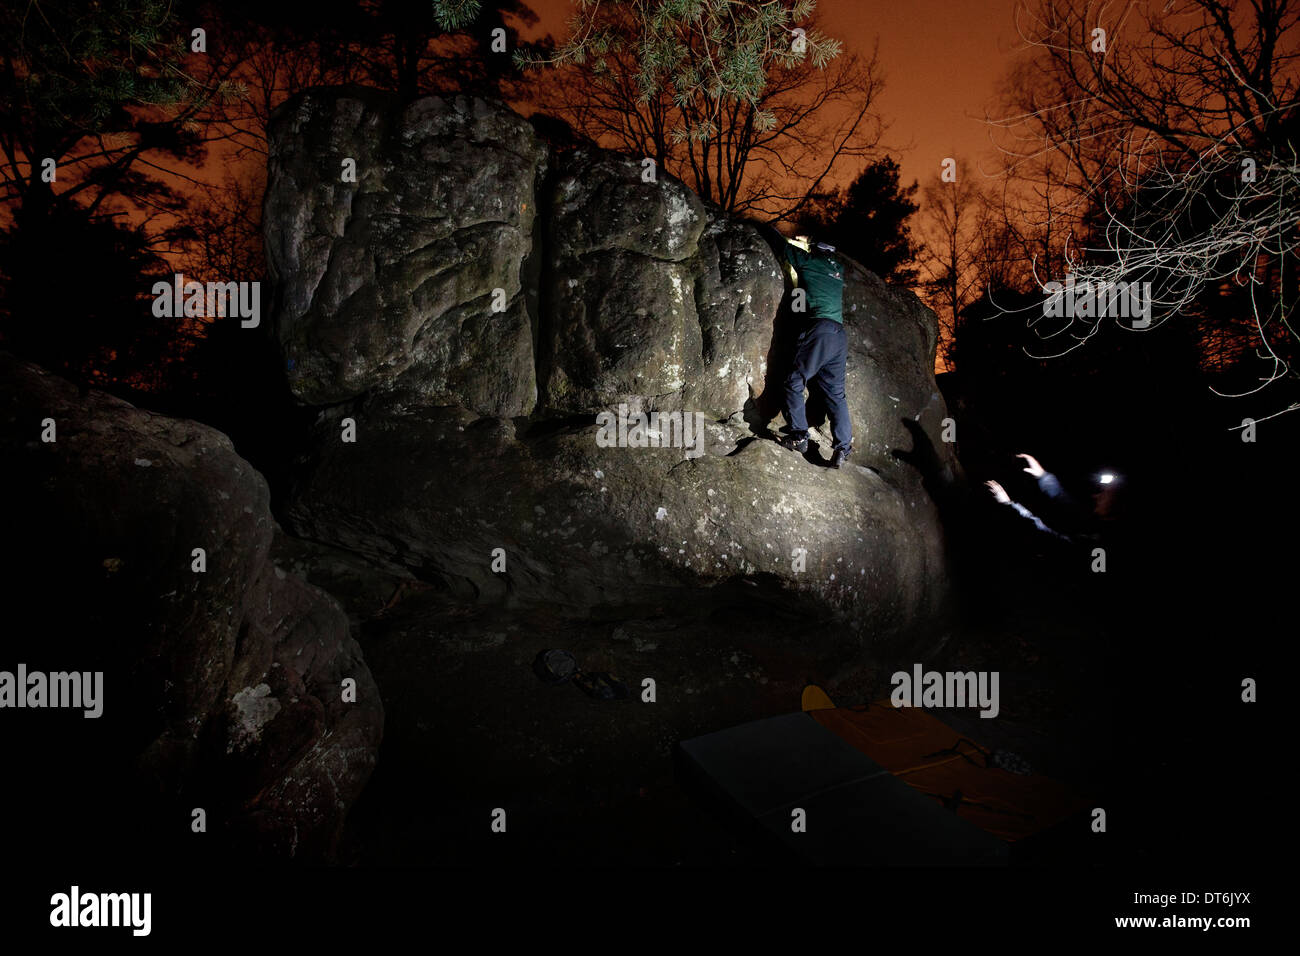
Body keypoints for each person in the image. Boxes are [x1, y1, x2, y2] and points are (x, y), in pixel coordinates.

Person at [775, 234, 853, 468]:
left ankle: (799, 435)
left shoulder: (809, 260)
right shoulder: (838, 268)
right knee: (836, 394)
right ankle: (843, 448)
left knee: (794, 380)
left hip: (819, 328)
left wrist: (792, 241)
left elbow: (782, 246)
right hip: (839, 335)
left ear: (814, 250)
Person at [984, 453, 1118, 545]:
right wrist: (1043, 476)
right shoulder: (1096, 523)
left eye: (1105, 494)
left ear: (1121, 507)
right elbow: (1069, 504)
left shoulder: (1099, 548)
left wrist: (1009, 504)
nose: (1096, 496)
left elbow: (1049, 536)